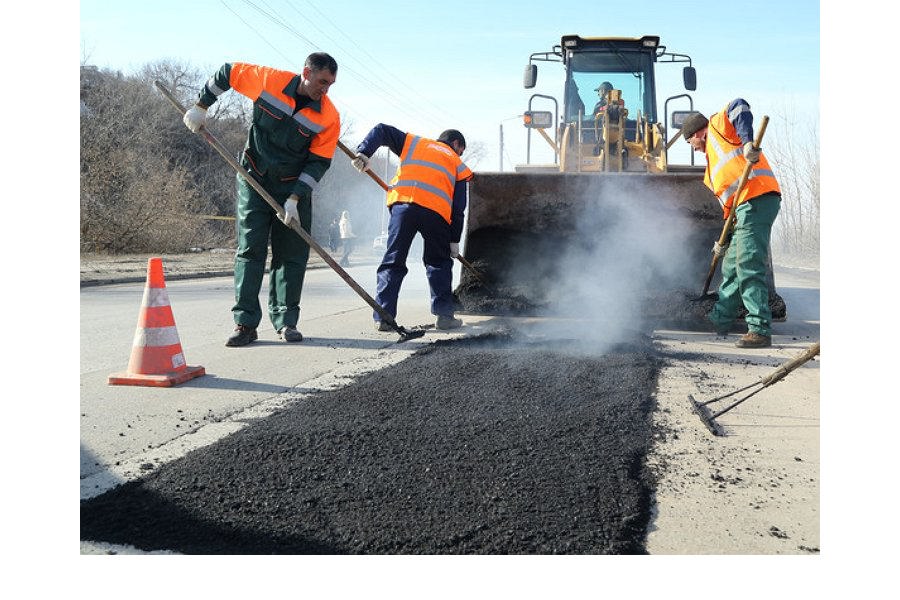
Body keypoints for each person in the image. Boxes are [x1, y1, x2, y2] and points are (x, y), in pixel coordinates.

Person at [183, 53, 340, 347]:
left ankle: (286, 322)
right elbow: (227, 71)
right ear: (306, 72)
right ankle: (245, 324)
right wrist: (201, 106)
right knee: (250, 250)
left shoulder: (328, 116)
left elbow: (318, 163)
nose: (325, 90)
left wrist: (294, 198)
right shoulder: (269, 81)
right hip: (253, 177)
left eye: (331, 84)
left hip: (293, 190)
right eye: (322, 81)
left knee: (292, 256)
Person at [351, 125, 474, 331]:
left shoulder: (415, 143)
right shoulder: (457, 164)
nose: (459, 154)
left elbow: (382, 130)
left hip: (403, 207)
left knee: (393, 261)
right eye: (461, 151)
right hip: (437, 215)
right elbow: (458, 208)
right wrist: (454, 240)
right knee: (438, 263)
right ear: (456, 144)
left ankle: (383, 316)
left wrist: (364, 152)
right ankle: (444, 317)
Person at [681, 99, 781, 349]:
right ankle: (720, 319)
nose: (692, 148)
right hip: (742, 210)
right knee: (731, 266)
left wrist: (748, 142)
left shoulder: (717, 126)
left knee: (747, 264)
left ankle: (759, 329)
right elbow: (729, 206)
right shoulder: (710, 170)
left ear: (697, 133)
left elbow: (739, 106)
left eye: (689, 141)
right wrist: (723, 242)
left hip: (757, 199)